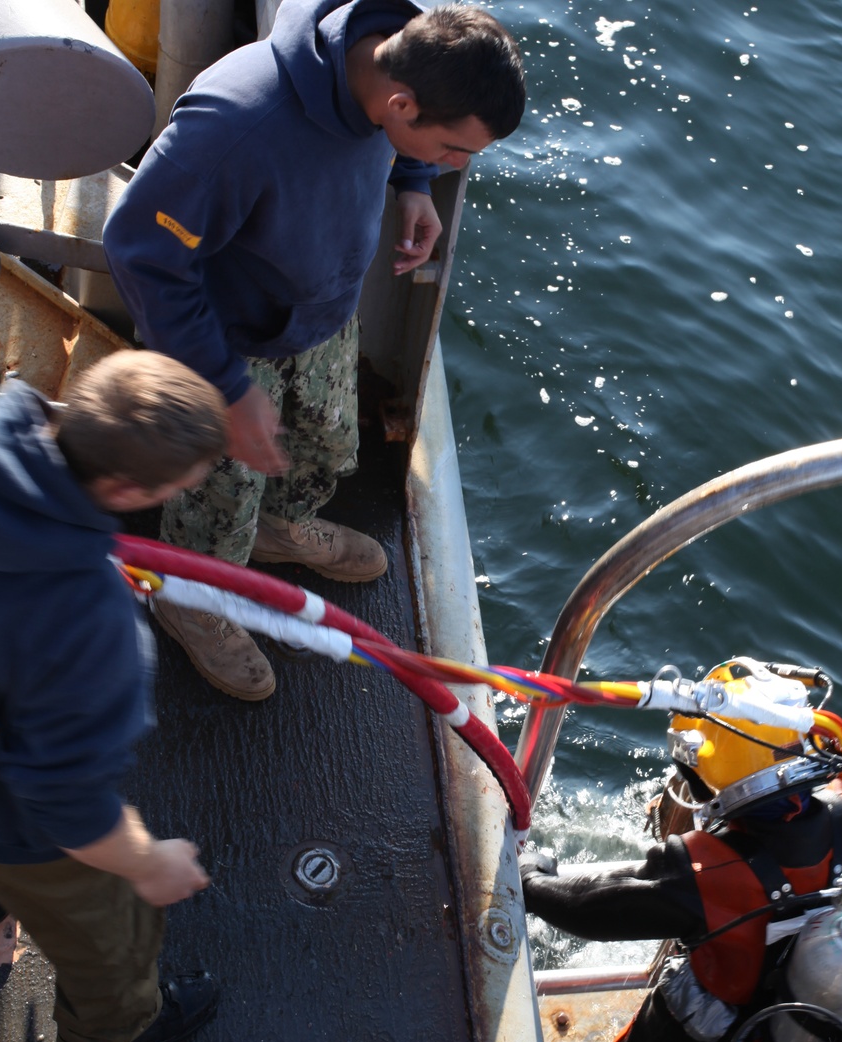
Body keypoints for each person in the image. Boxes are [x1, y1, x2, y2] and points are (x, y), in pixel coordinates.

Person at [103, 0, 526, 702]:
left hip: (323, 320)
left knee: (324, 445)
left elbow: (401, 140)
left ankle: (279, 527)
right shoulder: (239, 123)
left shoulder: (399, 53)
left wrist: (415, 184)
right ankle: (192, 599)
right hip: (227, 349)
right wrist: (226, 391)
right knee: (220, 492)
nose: (456, 167)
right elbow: (138, 249)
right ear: (401, 102)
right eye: (456, 152)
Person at [521, 658, 842, 1042]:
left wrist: (533, 880)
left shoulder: (707, 870)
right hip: (824, 1007)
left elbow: (589, 907)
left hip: (711, 1019)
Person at [0, 352, 227, 1042]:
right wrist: (149, 864)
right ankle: (111, 1034)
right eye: (181, 485)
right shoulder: (93, 623)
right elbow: (66, 802)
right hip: (10, 821)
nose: (192, 488)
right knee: (108, 935)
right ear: (123, 489)